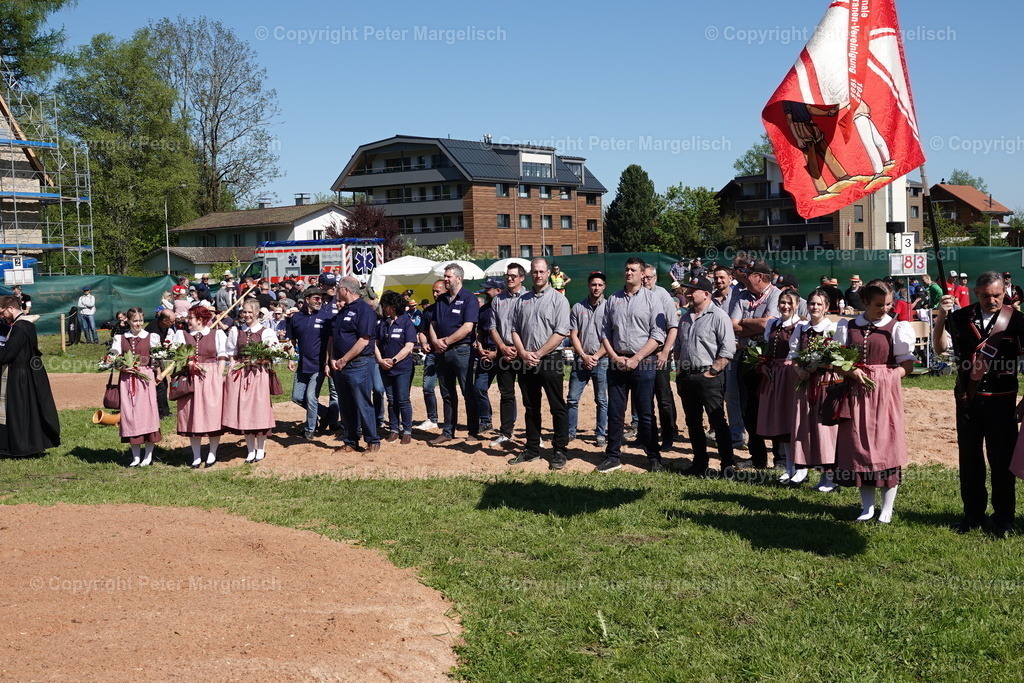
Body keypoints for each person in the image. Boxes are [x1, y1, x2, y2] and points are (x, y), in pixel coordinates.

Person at [935, 273, 1024, 538]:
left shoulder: (1017, 321)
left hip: (1003, 401)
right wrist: (941, 317)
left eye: (996, 295)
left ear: (1004, 290)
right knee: (970, 460)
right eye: (985, 296)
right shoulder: (960, 318)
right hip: (968, 401)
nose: (992, 300)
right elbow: (940, 350)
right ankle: (972, 515)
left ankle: (1003, 518)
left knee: (1001, 462)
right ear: (976, 292)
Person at [832, 280, 916, 523]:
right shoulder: (848, 326)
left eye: (889, 304)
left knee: (885, 444)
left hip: (884, 396)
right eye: (879, 304)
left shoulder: (896, 327)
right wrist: (848, 370)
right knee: (859, 445)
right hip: (855, 394)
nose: (885, 309)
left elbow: (907, 365)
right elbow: (836, 359)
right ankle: (867, 506)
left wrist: (886, 377)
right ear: (865, 302)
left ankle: (887, 508)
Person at [598, 257, 668, 473]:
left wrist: (637, 357)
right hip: (617, 362)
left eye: (633, 270)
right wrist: (614, 357)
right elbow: (605, 332)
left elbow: (658, 334)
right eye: (627, 269)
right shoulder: (613, 300)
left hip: (644, 363)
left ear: (641, 274)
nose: (629, 273)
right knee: (615, 412)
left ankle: (653, 457)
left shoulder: (652, 299)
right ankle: (613, 456)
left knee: (646, 413)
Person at [507, 258, 570, 469]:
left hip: (551, 360)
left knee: (557, 406)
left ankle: (560, 450)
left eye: (542, 272)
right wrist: (524, 353)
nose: (538, 275)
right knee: (530, 406)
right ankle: (532, 449)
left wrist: (539, 353)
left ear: (549, 273)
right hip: (526, 360)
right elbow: (514, 329)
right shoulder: (521, 300)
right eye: (535, 272)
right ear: (530, 274)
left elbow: (561, 332)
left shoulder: (559, 300)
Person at [673, 274, 735, 476]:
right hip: (687, 377)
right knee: (693, 423)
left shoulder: (718, 316)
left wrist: (712, 372)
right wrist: (681, 371)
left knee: (717, 421)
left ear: (706, 294)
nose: (688, 294)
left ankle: (727, 465)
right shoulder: (685, 317)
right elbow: (679, 347)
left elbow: (727, 351)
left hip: (709, 377)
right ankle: (700, 464)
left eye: (692, 290)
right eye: (687, 290)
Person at [730, 259, 781, 469]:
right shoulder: (742, 295)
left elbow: (770, 324)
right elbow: (732, 326)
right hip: (746, 358)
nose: (743, 275)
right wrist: (758, 325)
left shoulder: (776, 295)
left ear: (759, 277)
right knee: (748, 409)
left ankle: (780, 459)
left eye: (747, 273)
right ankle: (757, 457)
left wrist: (746, 323)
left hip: (771, 359)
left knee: (774, 408)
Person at [789, 289, 840, 492]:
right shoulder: (801, 329)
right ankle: (819, 474)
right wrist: (799, 369)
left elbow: (837, 360)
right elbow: (793, 355)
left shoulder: (832, 328)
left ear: (826, 307)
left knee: (825, 429)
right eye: (812, 304)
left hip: (826, 383)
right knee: (807, 427)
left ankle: (833, 477)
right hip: (806, 383)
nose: (815, 307)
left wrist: (818, 365)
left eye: (819, 304)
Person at [0, 295, 60, 456]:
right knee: (28, 410)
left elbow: (7, 355)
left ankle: (23, 447)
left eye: (2, 312)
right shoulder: (24, 324)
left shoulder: (20, 327)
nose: (1, 316)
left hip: (20, 376)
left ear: (10, 308)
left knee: (20, 411)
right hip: (25, 373)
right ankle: (29, 445)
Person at [170, 304, 228, 468]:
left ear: (201, 319)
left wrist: (218, 376)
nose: (187, 320)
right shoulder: (182, 334)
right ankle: (196, 456)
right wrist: (186, 362)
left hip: (210, 377)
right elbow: (176, 355)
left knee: (212, 414)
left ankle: (212, 453)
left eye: (190, 318)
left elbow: (222, 356)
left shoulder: (217, 334)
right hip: (189, 380)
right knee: (191, 415)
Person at [428, 263, 480, 445]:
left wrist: (446, 341)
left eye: (449, 276)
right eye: (445, 276)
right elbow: (433, 324)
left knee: (468, 392)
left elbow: (468, 327)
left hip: (462, 351)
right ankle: (448, 431)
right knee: (447, 393)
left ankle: (473, 430)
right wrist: (435, 341)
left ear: (459, 278)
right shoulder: (441, 300)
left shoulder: (469, 299)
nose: (446, 279)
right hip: (442, 352)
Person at [328, 276, 381, 453]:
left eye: (338, 288)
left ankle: (373, 441)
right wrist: (334, 359)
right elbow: (336, 338)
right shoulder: (344, 310)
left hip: (359, 364)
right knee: (346, 404)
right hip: (341, 366)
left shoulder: (363, 310)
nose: (336, 291)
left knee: (363, 403)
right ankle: (350, 441)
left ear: (346, 290)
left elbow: (364, 340)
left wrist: (344, 359)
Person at [222, 298, 277, 463]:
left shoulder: (265, 332)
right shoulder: (236, 331)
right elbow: (231, 353)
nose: (246, 315)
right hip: (240, 374)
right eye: (244, 312)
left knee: (259, 411)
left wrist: (257, 361)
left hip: (258, 374)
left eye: (249, 312)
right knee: (244, 411)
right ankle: (250, 450)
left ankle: (261, 449)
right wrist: (231, 370)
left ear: (257, 313)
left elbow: (272, 356)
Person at [757, 290, 803, 483]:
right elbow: (767, 350)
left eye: (789, 303)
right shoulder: (773, 324)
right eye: (782, 302)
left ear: (796, 305)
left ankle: (800, 467)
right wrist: (764, 364)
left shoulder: (800, 325)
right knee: (781, 421)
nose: (785, 306)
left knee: (794, 421)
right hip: (775, 374)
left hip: (791, 374)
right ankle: (788, 466)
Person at [110, 307, 162, 467]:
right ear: (128, 321)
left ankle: (148, 455)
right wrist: (122, 368)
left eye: (140, 321)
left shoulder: (151, 337)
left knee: (147, 414)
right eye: (135, 321)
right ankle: (136, 457)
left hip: (145, 379)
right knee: (130, 415)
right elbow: (113, 358)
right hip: (127, 380)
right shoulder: (120, 338)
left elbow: (157, 358)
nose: (138, 324)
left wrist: (158, 372)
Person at [287, 287, 339, 440]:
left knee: (311, 397)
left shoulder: (326, 317)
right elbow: (292, 339)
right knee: (297, 397)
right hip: (303, 364)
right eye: (316, 298)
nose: (319, 301)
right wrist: (291, 357)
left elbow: (331, 341)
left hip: (319, 365)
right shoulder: (296, 317)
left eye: (321, 299)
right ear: (307, 299)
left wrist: (328, 362)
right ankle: (327, 413)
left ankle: (310, 430)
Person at [486, 264, 527, 447]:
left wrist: (520, 349)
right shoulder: (498, 300)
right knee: (506, 395)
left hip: (525, 353)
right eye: (507, 276)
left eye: (513, 276)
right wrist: (502, 347)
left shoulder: (529, 297)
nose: (509, 279)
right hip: (504, 352)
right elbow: (492, 327)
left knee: (530, 395)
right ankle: (505, 432)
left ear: (521, 278)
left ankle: (534, 434)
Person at [567, 271, 608, 446]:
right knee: (572, 399)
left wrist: (596, 356)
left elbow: (612, 337)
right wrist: (584, 355)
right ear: (588, 286)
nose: (596, 288)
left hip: (602, 360)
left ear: (604, 286)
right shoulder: (577, 307)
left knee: (602, 400)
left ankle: (600, 434)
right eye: (593, 284)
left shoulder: (610, 307)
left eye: (599, 285)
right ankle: (570, 432)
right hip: (581, 360)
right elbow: (573, 335)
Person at [374, 290, 418, 444]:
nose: (383, 308)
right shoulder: (383, 323)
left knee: (403, 399)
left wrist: (393, 360)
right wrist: (380, 360)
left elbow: (409, 346)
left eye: (385, 305)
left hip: (402, 367)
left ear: (391, 307)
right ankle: (394, 429)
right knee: (391, 399)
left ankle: (407, 430)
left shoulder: (406, 322)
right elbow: (375, 343)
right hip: (385, 367)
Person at [643, 265, 679, 450]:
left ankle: (669, 433)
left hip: (659, 354)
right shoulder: (638, 295)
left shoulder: (663, 295)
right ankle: (646, 434)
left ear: (655, 278)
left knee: (663, 396)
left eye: (649, 277)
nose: (646, 280)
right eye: (644, 277)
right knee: (643, 398)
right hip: (642, 356)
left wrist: (665, 352)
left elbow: (673, 325)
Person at [473, 278, 505, 436]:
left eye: (488, 289)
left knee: (506, 391)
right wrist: (480, 347)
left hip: (503, 355)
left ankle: (507, 427)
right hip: (485, 353)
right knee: (479, 388)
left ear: (498, 291)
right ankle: (485, 421)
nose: (485, 291)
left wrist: (496, 353)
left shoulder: (506, 308)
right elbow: (479, 332)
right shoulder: (484, 309)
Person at [415, 281, 445, 431]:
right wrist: (424, 343)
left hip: (449, 353)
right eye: (433, 291)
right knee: (427, 387)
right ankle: (432, 419)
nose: (435, 294)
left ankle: (453, 420)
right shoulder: (428, 311)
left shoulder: (450, 309)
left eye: (438, 291)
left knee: (450, 389)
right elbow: (421, 331)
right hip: (433, 354)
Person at [145, 309, 176, 418]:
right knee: (159, 385)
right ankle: (158, 412)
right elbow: (154, 354)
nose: (173, 324)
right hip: (149, 360)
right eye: (171, 322)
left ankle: (165, 411)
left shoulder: (165, 327)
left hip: (157, 358)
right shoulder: (153, 331)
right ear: (164, 320)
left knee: (163, 384)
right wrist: (158, 372)